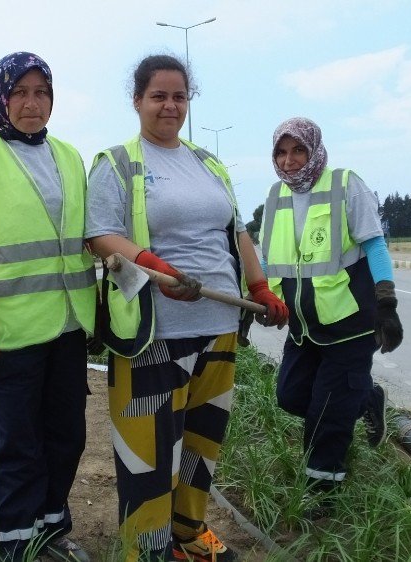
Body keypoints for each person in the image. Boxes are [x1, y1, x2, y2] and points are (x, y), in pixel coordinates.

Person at [85, 54, 288, 562]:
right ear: (137, 101)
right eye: (159, 96)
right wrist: (153, 265)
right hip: (154, 332)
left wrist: (260, 287)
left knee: (202, 444)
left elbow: (236, 231)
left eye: (179, 96)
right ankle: (146, 550)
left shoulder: (208, 164)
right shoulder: (117, 163)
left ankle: (188, 535)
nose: (170, 106)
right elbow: (99, 236)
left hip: (218, 325)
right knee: (149, 456)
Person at [0, 51, 96, 562]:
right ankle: (13, 545)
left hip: (68, 328)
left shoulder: (70, 156)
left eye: (42, 92)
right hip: (6, 333)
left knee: (67, 438)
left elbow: (88, 238)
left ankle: (50, 532)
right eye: (21, 93)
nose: (32, 104)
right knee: (16, 447)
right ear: (1, 98)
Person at [258, 117, 404, 519]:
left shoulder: (344, 184)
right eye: (281, 153)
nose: (289, 161)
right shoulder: (275, 197)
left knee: (327, 413)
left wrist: (387, 302)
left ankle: (321, 497)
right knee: (291, 396)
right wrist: (259, 297)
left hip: (349, 327)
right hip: (304, 329)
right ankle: (367, 398)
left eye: (298, 151)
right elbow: (269, 259)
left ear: (314, 150)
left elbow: (374, 245)